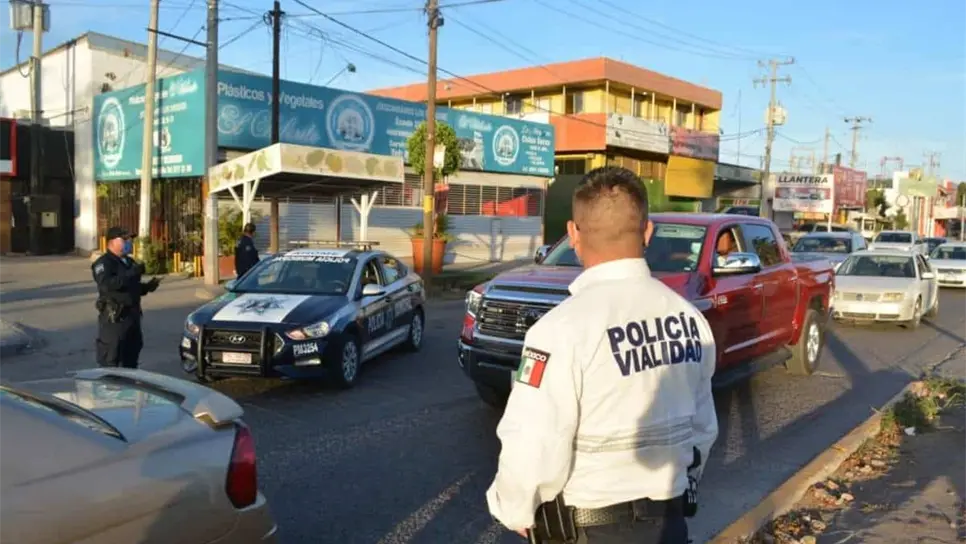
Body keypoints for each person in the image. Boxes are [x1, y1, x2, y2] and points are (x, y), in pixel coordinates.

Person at [486, 166, 719, 543]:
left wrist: (514, 508)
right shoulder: (690, 320)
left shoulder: (558, 331)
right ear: (647, 232)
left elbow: (533, 441)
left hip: (589, 531)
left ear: (574, 234)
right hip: (669, 526)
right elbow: (703, 431)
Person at [91, 226, 161, 368]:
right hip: (115, 318)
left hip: (132, 316)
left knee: (131, 357)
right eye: (125, 239)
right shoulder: (104, 263)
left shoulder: (129, 262)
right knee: (111, 358)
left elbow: (131, 287)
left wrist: (147, 287)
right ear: (112, 242)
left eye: (130, 239)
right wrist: (132, 273)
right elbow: (107, 285)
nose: (129, 242)